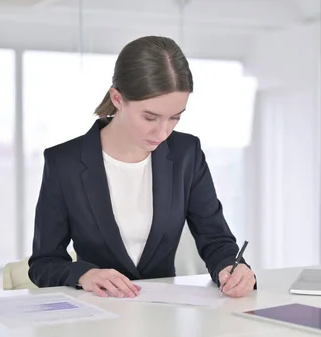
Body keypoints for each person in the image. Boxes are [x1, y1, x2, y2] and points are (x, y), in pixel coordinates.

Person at [28, 35, 256, 299]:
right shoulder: (64, 162)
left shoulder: (186, 154)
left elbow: (216, 240)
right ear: (117, 98)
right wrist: (84, 275)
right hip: (97, 316)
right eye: (150, 117)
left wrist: (232, 268)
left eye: (174, 118)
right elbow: (43, 263)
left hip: (163, 316)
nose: (163, 132)